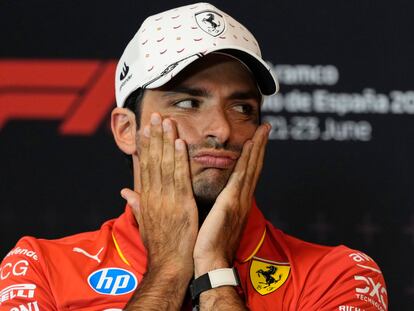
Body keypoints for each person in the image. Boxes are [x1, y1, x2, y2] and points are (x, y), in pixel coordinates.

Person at [0, 3, 387, 311]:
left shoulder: (338, 275)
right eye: (187, 102)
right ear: (125, 130)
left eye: (242, 109)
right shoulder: (40, 268)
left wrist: (215, 270)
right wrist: (168, 271)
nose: (220, 129)